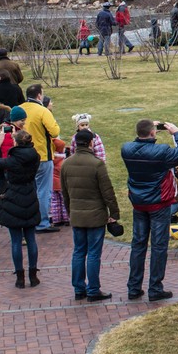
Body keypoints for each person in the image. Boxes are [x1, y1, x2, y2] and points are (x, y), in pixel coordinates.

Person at [121, 118, 178, 301]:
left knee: (138, 245)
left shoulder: (126, 149)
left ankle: (134, 287)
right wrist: (177, 133)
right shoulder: (161, 152)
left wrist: (148, 131)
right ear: (153, 133)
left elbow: (140, 143)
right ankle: (155, 288)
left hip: (139, 203)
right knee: (159, 246)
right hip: (159, 203)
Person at [60, 127, 122, 301]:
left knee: (78, 252)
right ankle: (93, 289)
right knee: (94, 253)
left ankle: (79, 288)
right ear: (90, 143)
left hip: (77, 215)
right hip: (95, 216)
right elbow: (107, 192)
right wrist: (114, 213)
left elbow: (65, 193)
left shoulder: (66, 164)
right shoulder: (97, 164)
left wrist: (70, 212)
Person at [0, 126, 41, 287]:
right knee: (31, 239)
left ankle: (20, 277)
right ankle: (33, 275)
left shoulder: (12, 160)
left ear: (17, 143)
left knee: (15, 241)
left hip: (14, 196)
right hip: (30, 194)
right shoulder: (35, 156)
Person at [18, 86, 62, 232]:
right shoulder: (42, 111)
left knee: (29, 189)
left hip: (22, 155)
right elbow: (55, 131)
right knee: (44, 190)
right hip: (42, 155)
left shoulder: (19, 108)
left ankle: (28, 219)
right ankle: (42, 222)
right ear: (38, 96)